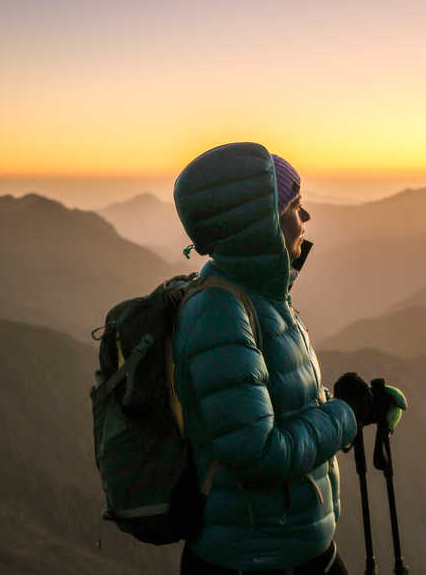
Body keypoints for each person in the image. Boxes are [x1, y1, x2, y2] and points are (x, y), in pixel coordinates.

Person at [172, 142, 375, 574]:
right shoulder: (220, 313)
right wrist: (346, 415)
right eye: (295, 206)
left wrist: (348, 407)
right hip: (256, 560)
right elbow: (257, 452)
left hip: (288, 549)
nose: (306, 218)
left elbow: (277, 406)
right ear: (260, 223)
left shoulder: (262, 298)